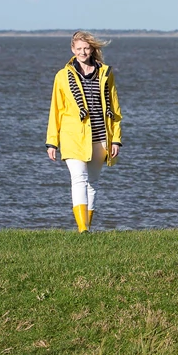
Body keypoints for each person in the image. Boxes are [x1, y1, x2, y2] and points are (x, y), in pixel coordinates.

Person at [46, 31, 122, 232]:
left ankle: (87, 225)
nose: (82, 52)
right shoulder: (62, 76)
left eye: (86, 48)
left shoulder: (106, 73)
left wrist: (116, 140)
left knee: (92, 183)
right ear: (72, 49)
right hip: (73, 138)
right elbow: (56, 109)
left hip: (100, 137)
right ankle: (83, 230)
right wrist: (52, 142)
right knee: (79, 179)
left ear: (92, 49)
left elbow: (114, 109)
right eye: (78, 49)